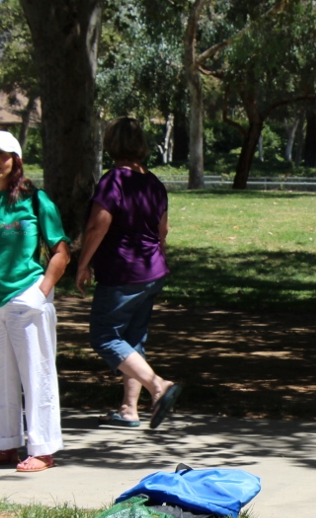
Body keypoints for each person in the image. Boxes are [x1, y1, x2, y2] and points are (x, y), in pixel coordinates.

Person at [0, 130, 70, 473]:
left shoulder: (35, 200)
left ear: (16, 161)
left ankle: (43, 448)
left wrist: (41, 291)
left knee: (36, 374)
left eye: (1, 154)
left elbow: (61, 251)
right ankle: (4, 445)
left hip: (26, 297)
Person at [75, 117, 181, 429]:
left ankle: (158, 385)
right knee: (132, 338)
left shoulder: (114, 181)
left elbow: (98, 225)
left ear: (111, 144)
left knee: (105, 336)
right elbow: (163, 230)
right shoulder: (154, 183)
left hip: (123, 272)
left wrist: (82, 264)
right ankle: (129, 410)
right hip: (152, 271)